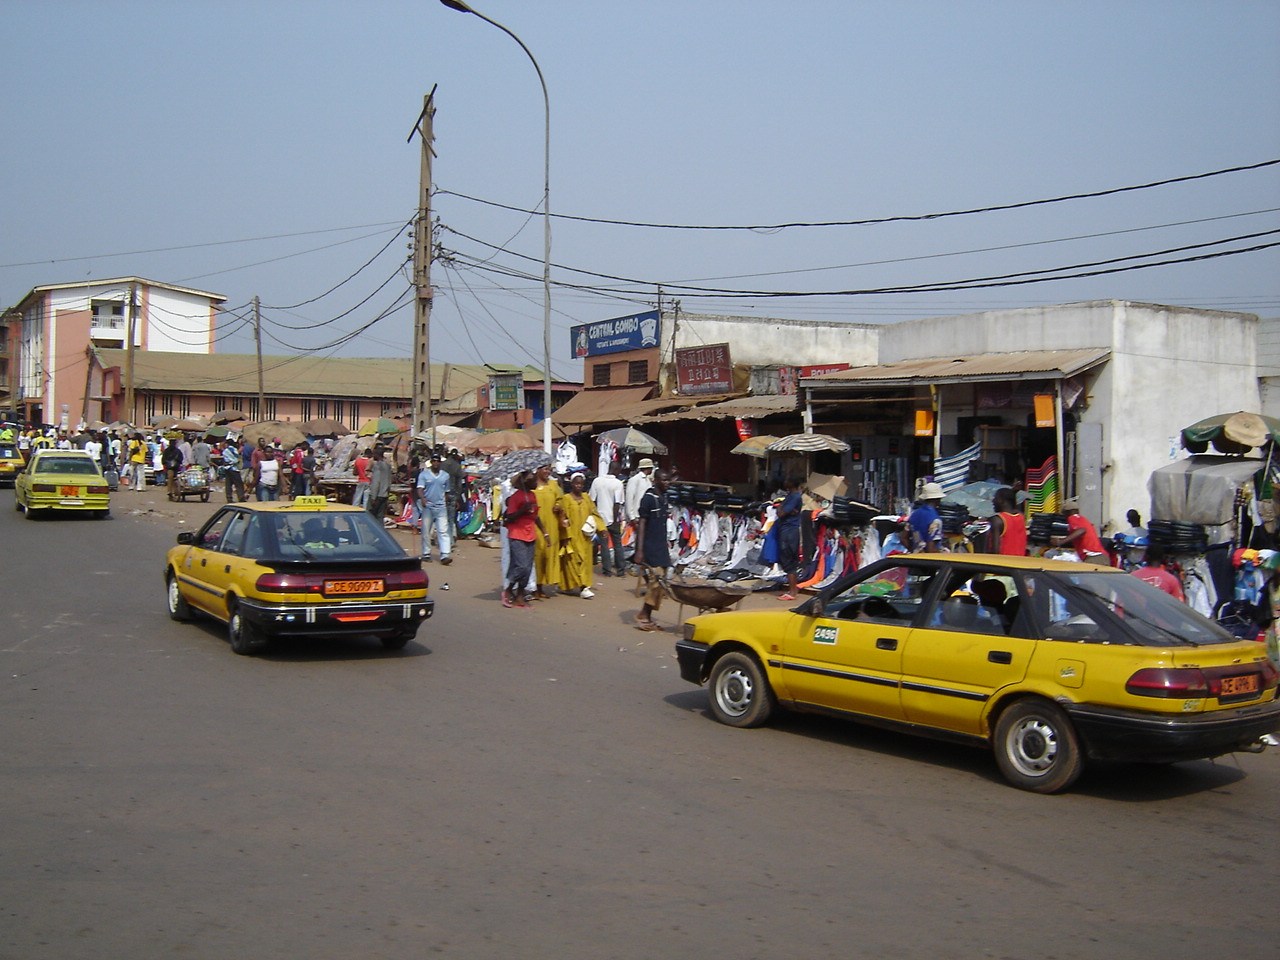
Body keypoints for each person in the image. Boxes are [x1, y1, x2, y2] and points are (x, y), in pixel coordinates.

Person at [633, 469, 672, 631]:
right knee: (656, 581)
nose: (667, 483)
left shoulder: (664, 498)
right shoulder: (648, 498)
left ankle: (647, 614)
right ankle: (643, 614)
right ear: (655, 480)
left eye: (669, 480)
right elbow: (642, 524)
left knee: (661, 584)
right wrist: (639, 550)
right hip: (649, 546)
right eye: (664, 480)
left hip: (661, 546)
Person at [557, 472, 606, 599]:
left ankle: (584, 586)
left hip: (585, 536)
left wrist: (602, 529)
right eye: (576, 483)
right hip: (571, 535)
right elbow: (563, 517)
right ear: (572, 484)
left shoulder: (586, 498)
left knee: (585, 560)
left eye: (581, 484)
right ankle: (568, 586)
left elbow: (594, 513)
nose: (579, 486)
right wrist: (565, 534)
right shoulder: (566, 499)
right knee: (572, 561)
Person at [502, 471, 547, 608]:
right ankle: (508, 589)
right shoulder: (516, 497)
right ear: (525, 482)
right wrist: (522, 510)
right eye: (533, 480)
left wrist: (545, 532)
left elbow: (536, 516)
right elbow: (509, 517)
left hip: (530, 534)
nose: (536, 482)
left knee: (527, 569)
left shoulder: (532, 496)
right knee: (521, 566)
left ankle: (520, 595)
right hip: (517, 535)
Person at [532, 463, 564, 599]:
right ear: (538, 470)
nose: (548, 472)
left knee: (549, 555)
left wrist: (558, 506)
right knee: (537, 555)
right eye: (545, 469)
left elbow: (561, 499)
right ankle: (535, 587)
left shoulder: (553, 485)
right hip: (536, 526)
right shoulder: (532, 485)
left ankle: (542, 585)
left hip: (552, 525)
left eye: (549, 469)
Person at [589, 463, 626, 577]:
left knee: (604, 545)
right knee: (617, 545)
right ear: (616, 469)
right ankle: (620, 570)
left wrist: (595, 516)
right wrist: (615, 521)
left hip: (600, 519)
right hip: (612, 519)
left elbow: (592, 501)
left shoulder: (597, 481)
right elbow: (617, 504)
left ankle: (607, 571)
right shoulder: (617, 483)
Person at [416, 452, 453, 564]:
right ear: (431, 462)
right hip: (428, 506)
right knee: (426, 531)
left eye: (438, 461)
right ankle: (426, 553)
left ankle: (445, 555)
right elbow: (420, 489)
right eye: (434, 461)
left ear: (440, 462)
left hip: (441, 507)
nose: (436, 463)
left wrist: (446, 501)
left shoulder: (445, 476)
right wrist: (422, 498)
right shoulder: (424, 475)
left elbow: (447, 491)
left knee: (443, 531)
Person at [775, 477, 806, 601]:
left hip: (789, 531)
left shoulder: (794, 497)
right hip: (787, 530)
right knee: (788, 560)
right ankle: (792, 589)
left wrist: (781, 508)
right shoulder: (790, 496)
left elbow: (781, 513)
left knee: (789, 559)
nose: (785, 481)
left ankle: (793, 592)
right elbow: (782, 511)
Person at [1053, 498, 1109, 563]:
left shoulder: (1073, 518)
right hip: (1102, 557)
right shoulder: (1083, 520)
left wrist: (1061, 542)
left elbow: (1081, 530)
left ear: (1067, 512)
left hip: (1093, 557)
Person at [987, 486, 1027, 556]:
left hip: (1004, 564)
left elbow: (995, 551)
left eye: (995, 498)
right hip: (1021, 563)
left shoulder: (997, 520)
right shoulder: (1021, 516)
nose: (993, 501)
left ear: (1002, 500)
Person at [907, 481, 945, 553]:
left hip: (914, 558)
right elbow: (931, 548)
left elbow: (904, 538)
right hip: (929, 561)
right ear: (937, 499)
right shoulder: (936, 520)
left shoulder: (914, 514)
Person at [624, 458, 655, 535]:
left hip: (646, 515)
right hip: (637, 516)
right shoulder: (635, 480)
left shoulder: (648, 481)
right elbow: (629, 499)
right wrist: (632, 517)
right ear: (648, 468)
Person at [367, 446, 392, 519]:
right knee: (380, 516)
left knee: (371, 517)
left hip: (377, 495)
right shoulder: (387, 466)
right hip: (385, 494)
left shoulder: (378, 466)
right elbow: (389, 481)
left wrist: (373, 497)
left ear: (377, 455)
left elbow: (376, 482)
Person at [161, 435, 184, 500]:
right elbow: (164, 459)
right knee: (170, 478)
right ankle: (170, 491)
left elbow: (163, 460)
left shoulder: (177, 451)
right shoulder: (168, 451)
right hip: (171, 468)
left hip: (176, 467)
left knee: (177, 479)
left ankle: (176, 491)